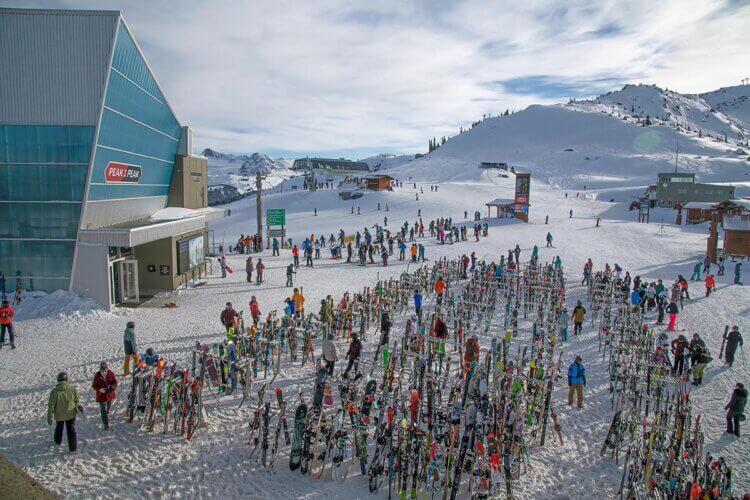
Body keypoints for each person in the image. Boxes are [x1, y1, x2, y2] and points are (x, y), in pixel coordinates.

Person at [48, 372, 80, 453]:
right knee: (71, 430)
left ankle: (57, 441)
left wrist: (49, 416)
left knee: (59, 427)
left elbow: (51, 406)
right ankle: (73, 448)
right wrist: (78, 407)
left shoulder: (54, 392)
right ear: (66, 379)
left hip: (59, 415)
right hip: (71, 413)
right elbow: (76, 400)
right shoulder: (72, 388)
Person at [92, 361, 117, 430]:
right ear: (100, 370)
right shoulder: (97, 376)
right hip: (101, 396)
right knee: (103, 410)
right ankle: (106, 424)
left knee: (108, 408)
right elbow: (94, 386)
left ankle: (106, 415)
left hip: (109, 395)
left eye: (105, 370)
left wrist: (113, 387)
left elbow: (115, 382)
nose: (104, 372)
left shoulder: (111, 373)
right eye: (102, 370)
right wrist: (99, 389)